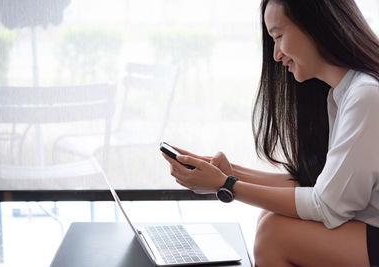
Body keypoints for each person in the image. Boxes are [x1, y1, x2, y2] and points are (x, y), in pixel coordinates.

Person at [162, 0, 379, 266]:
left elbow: (326, 205)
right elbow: (319, 186)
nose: (276, 54)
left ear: (314, 26)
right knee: (269, 218)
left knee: (273, 233)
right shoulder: (342, 93)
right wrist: (231, 174)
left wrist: (225, 185)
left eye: (278, 36)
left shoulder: (366, 95)